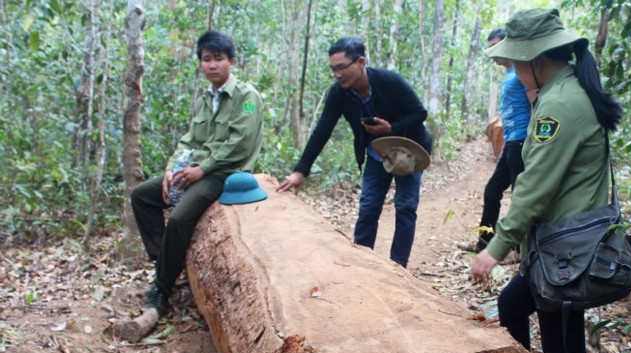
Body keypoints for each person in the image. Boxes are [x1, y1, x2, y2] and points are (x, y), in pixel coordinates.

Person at [470, 8, 623, 353]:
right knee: (515, 305)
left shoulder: (561, 105)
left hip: (565, 257)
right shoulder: (566, 91)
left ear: (537, 59)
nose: (513, 71)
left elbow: (534, 187)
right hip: (559, 248)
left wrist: (494, 248)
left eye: (516, 63)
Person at [131, 31, 264, 317]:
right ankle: (164, 260)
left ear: (232, 61)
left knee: (179, 218)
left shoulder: (246, 97)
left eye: (218, 59)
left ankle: (161, 290)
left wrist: (203, 169)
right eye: (206, 59)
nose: (212, 65)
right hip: (195, 169)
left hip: (224, 173)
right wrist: (171, 168)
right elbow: (189, 139)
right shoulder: (206, 98)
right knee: (143, 196)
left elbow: (240, 143)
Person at [277, 37, 432, 268]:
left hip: (409, 151)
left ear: (360, 62)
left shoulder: (389, 81)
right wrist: (301, 171)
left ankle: (399, 269)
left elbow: (419, 113)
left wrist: (392, 128)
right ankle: (361, 264)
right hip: (377, 153)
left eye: (342, 67)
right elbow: (322, 130)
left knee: (405, 207)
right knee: (369, 207)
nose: (337, 74)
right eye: (333, 69)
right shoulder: (339, 93)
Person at [462, 27, 531, 253]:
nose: (492, 51)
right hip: (511, 143)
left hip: (522, 142)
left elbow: (535, 103)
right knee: (492, 192)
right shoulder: (511, 73)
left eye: (496, 45)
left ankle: (521, 252)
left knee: (521, 197)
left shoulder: (522, 72)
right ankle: (484, 244)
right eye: (490, 47)